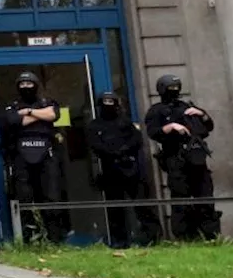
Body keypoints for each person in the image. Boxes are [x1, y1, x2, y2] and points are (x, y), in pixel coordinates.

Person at [144, 74, 219, 241]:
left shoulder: (187, 107)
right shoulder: (156, 111)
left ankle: (210, 235)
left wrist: (202, 114)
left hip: (197, 159)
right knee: (181, 200)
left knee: (205, 197)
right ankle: (184, 236)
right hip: (175, 159)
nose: (174, 92)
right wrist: (170, 127)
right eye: (170, 89)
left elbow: (207, 127)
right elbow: (153, 132)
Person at [86, 91, 162, 248]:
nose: (108, 105)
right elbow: (95, 145)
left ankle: (152, 237)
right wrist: (111, 153)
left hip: (131, 168)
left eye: (111, 102)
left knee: (142, 205)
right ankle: (119, 241)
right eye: (105, 102)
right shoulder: (95, 125)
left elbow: (137, 140)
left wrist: (124, 151)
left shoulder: (126, 123)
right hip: (110, 169)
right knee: (115, 209)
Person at [0, 72, 66, 244]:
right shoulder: (12, 105)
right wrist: (39, 115)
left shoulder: (47, 102)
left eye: (29, 83)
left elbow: (54, 115)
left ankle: (54, 239)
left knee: (51, 196)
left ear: (36, 85)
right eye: (22, 84)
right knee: (25, 197)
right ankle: (29, 240)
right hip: (21, 157)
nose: (26, 87)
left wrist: (28, 112)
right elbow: (14, 120)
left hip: (47, 156)